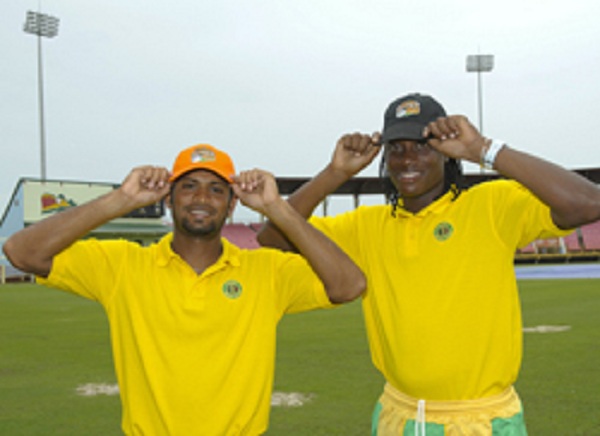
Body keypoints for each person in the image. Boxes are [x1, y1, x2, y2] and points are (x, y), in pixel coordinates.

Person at [257, 93, 600, 435]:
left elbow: (587, 204)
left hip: (482, 420)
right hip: (400, 416)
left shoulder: (491, 204)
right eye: (396, 149)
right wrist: (335, 173)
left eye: (421, 147)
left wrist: (482, 149)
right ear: (384, 158)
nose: (408, 160)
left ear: (445, 152)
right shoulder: (365, 226)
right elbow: (273, 237)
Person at [2, 143, 366, 435]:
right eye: (189, 186)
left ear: (232, 203)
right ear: (168, 199)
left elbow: (349, 286)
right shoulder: (122, 266)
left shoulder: (266, 271)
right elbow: (21, 252)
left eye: (215, 189)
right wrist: (120, 201)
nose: (201, 198)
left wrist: (276, 209)